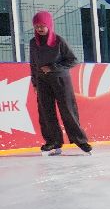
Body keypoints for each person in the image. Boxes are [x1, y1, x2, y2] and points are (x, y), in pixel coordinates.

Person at [28, 11, 91, 154]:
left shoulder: (59, 41)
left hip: (60, 79)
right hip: (42, 81)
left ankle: (80, 141)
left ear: (49, 25)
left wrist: (52, 68)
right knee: (45, 111)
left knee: (68, 110)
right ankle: (53, 141)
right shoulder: (33, 42)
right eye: (36, 26)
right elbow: (33, 64)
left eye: (42, 26)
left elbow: (73, 60)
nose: (39, 29)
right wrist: (35, 82)